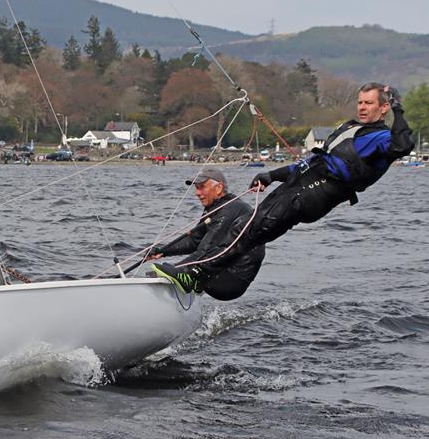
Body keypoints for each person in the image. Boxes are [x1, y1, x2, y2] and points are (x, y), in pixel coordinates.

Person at [241, 82, 414, 249]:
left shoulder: (382, 138)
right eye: (360, 102)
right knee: (247, 226)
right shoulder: (350, 128)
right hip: (298, 183)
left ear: (383, 108)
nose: (362, 107)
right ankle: (223, 262)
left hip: (316, 194)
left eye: (368, 103)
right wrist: (272, 176)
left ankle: (220, 259)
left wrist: (397, 108)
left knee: (253, 230)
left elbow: (403, 145)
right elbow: (314, 162)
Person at [149, 168, 265, 300]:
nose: (197, 193)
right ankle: (191, 282)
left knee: (169, 271)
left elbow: (204, 251)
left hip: (231, 281)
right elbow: (194, 240)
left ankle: (188, 281)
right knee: (167, 270)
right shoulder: (216, 207)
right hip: (220, 271)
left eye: (201, 187)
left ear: (219, 188)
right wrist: (163, 251)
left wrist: (176, 270)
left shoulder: (230, 209)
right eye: (196, 188)